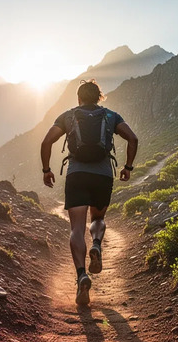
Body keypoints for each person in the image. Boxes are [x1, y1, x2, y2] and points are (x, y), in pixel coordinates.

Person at [40, 79, 138, 306]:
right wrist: (128, 167)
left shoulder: (68, 115)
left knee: (76, 228)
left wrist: (47, 170)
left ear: (79, 98)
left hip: (77, 175)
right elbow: (132, 138)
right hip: (103, 175)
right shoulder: (111, 116)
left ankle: (82, 275)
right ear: (99, 97)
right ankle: (96, 243)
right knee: (98, 218)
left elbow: (47, 141)